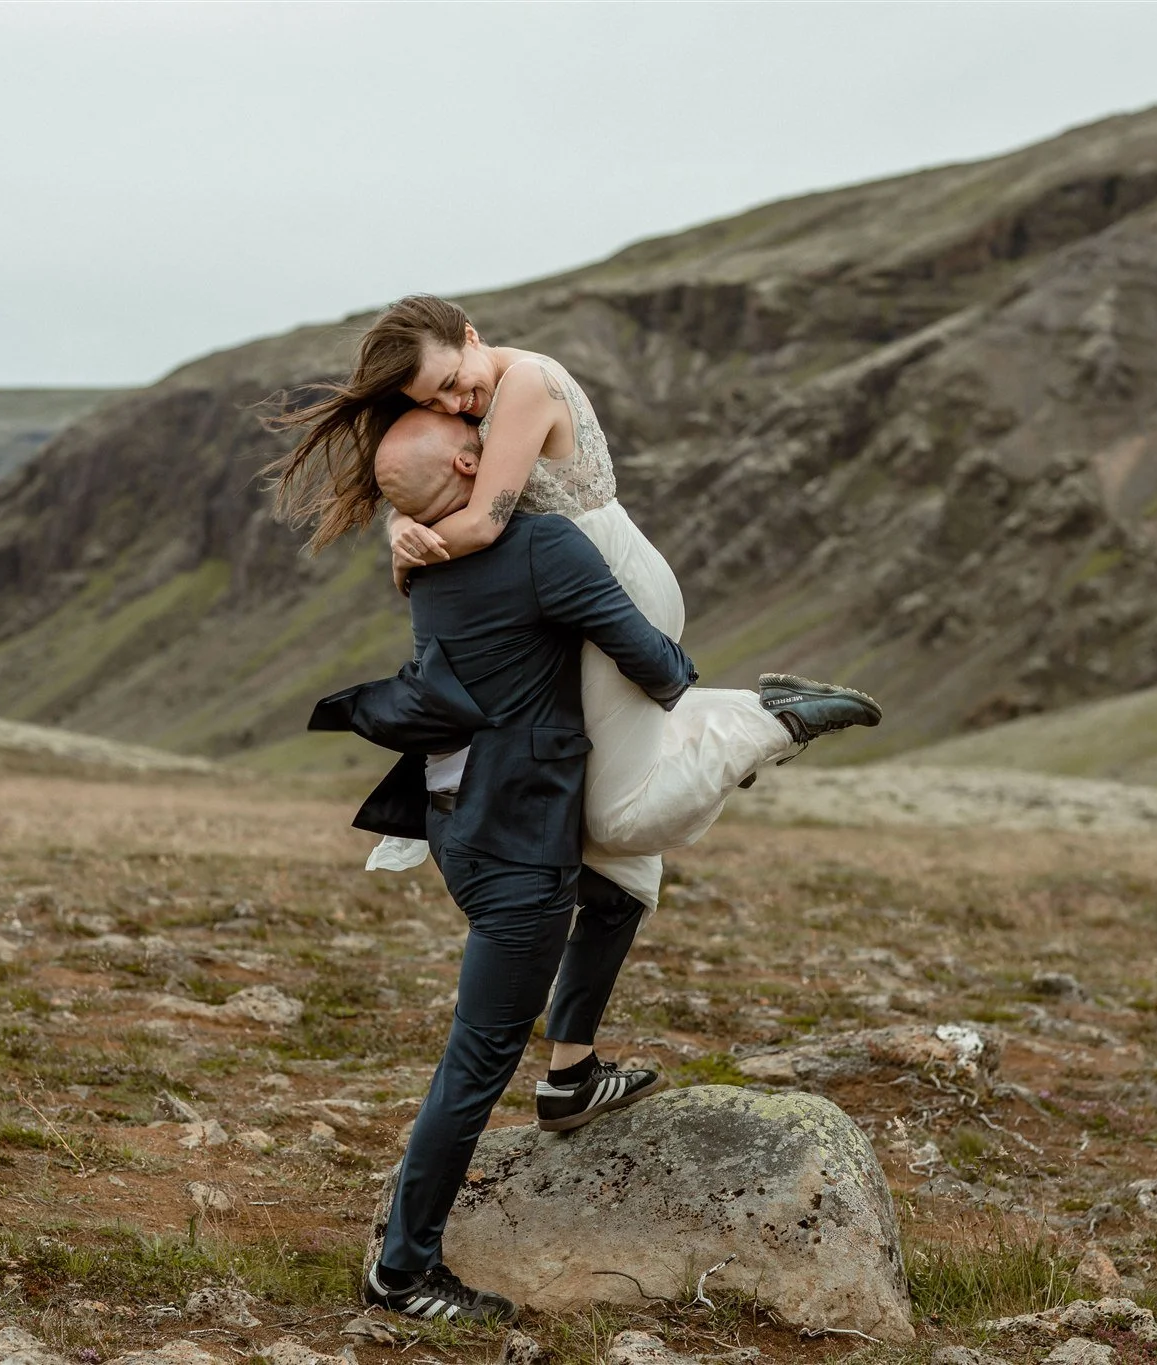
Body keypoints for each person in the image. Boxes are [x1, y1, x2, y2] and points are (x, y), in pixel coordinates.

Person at [269, 295, 882, 912]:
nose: (453, 405)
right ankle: (591, 966)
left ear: (473, 336)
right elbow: (430, 478)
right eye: (432, 401)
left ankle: (768, 719)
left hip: (615, 588)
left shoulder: (527, 383)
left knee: (615, 820)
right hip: (561, 602)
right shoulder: (481, 396)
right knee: (577, 793)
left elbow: (481, 522)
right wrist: (400, 519)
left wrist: (407, 555)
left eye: (454, 383)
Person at [307, 408, 700, 1325]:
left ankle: (573, 1068)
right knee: (478, 1059)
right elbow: (654, 664)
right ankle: (402, 1272)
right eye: (473, 436)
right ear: (463, 461)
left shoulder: (425, 566)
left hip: (463, 822)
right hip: (517, 842)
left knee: (617, 887)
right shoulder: (542, 549)